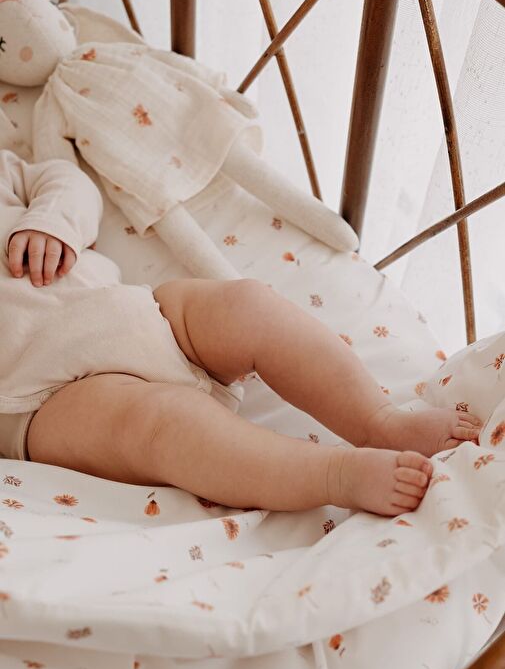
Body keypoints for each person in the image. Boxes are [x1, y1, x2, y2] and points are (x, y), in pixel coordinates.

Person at [0, 151, 482, 516]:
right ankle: (334, 475)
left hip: (133, 313)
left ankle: (380, 422)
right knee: (157, 422)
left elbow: (64, 179)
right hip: (41, 398)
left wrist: (52, 221)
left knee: (246, 305)